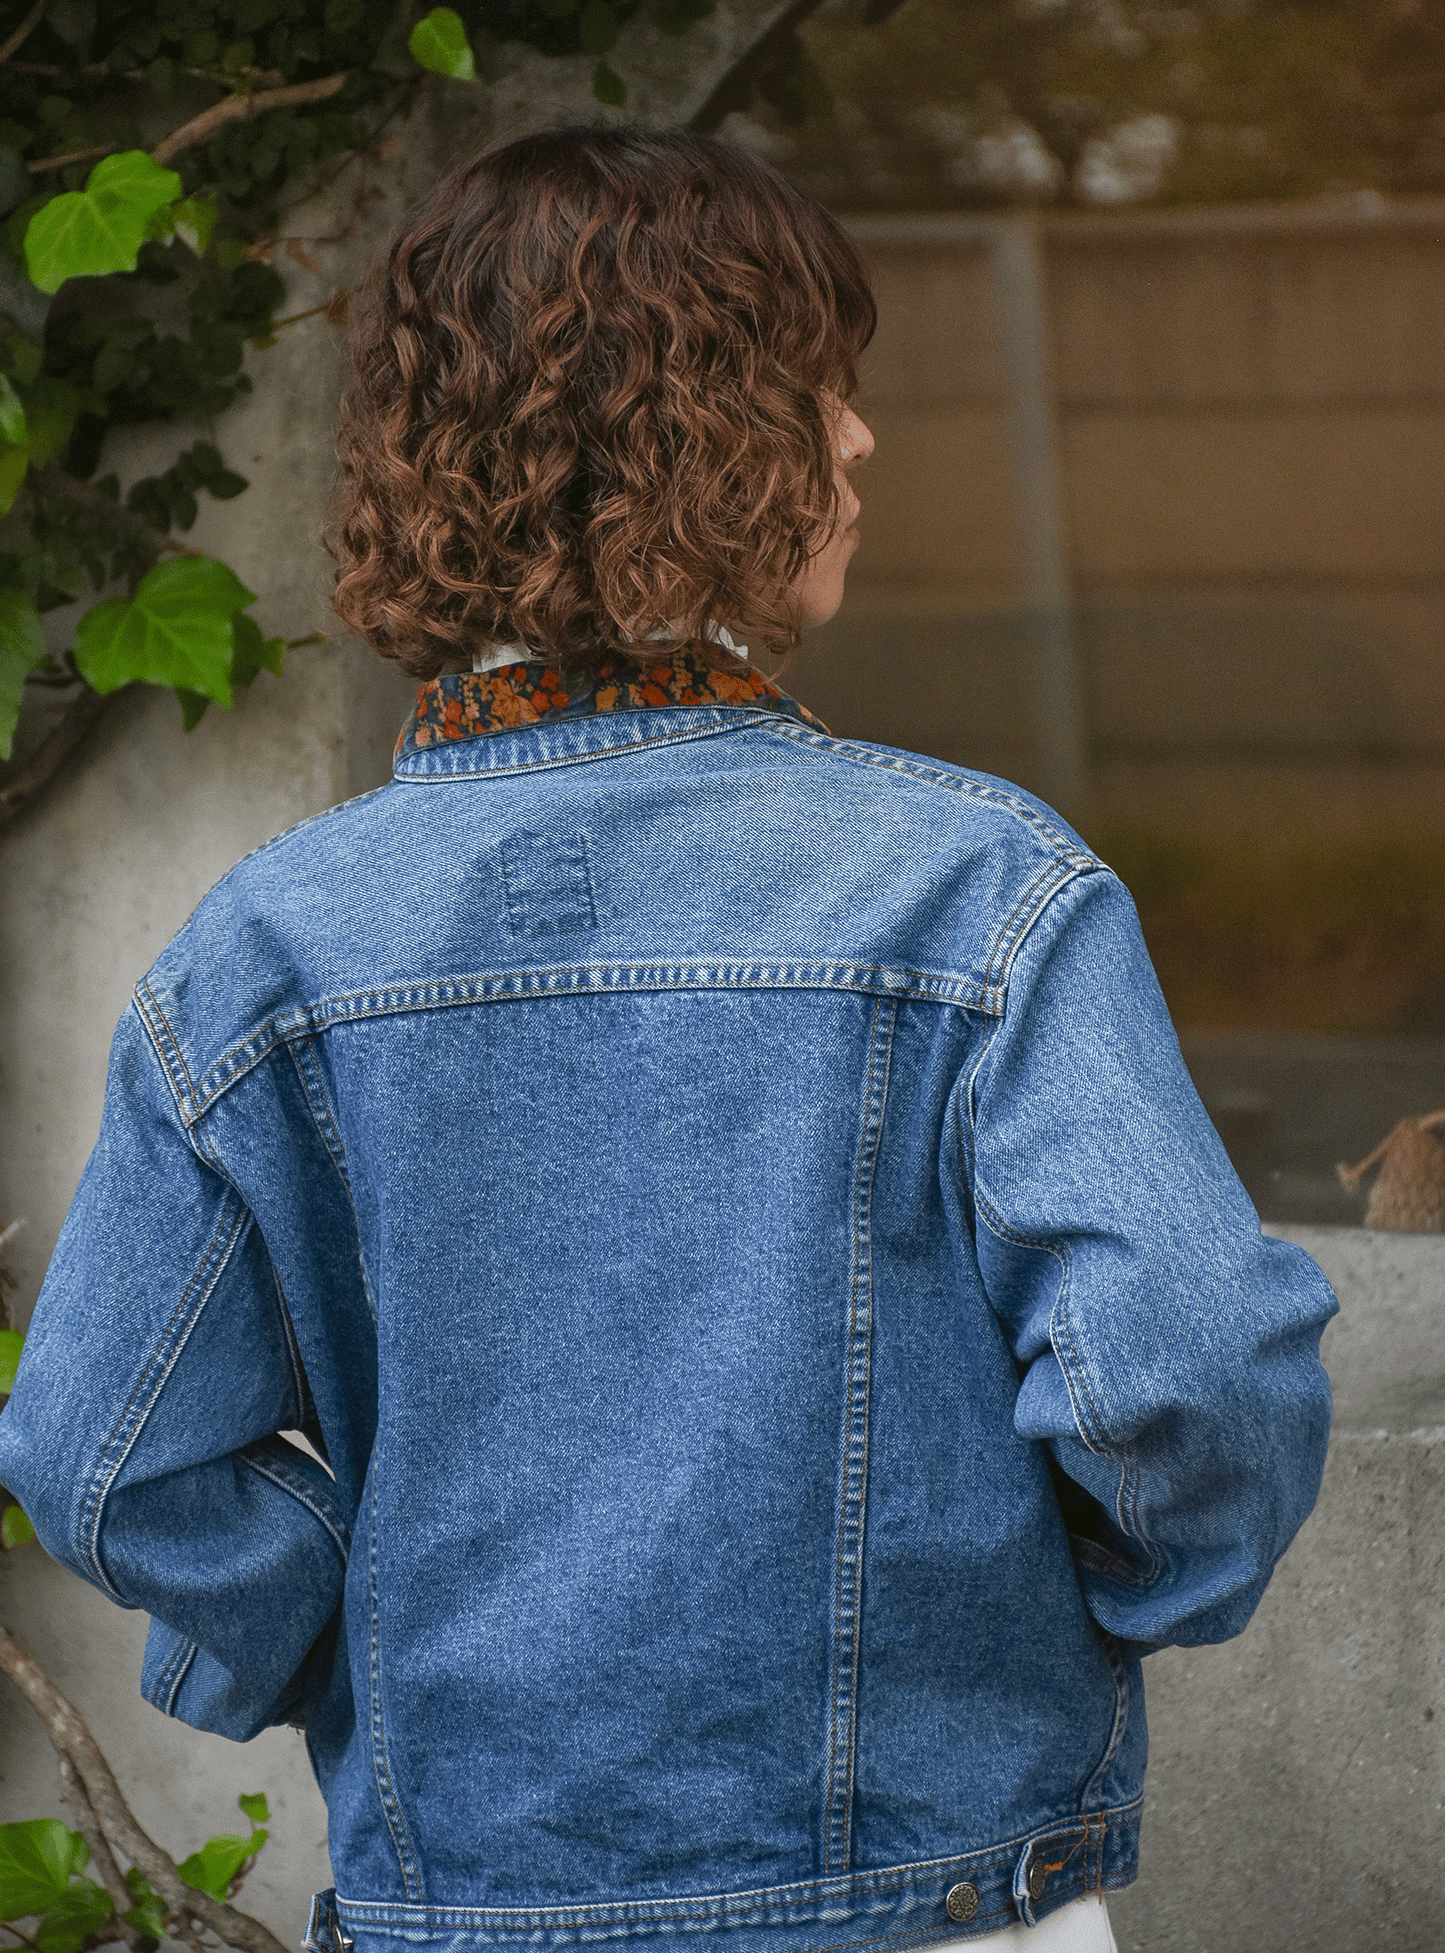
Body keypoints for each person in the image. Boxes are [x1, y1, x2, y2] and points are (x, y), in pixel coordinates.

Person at [0, 125, 1336, 1953]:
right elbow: (1187, 1365)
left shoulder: (269, 949)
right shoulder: (976, 889)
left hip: (470, 1900)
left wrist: (363, 1614)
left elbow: (99, 1450)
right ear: (692, 435)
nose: (865, 441)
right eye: (821, 389)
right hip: (934, 1904)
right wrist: (1055, 1600)